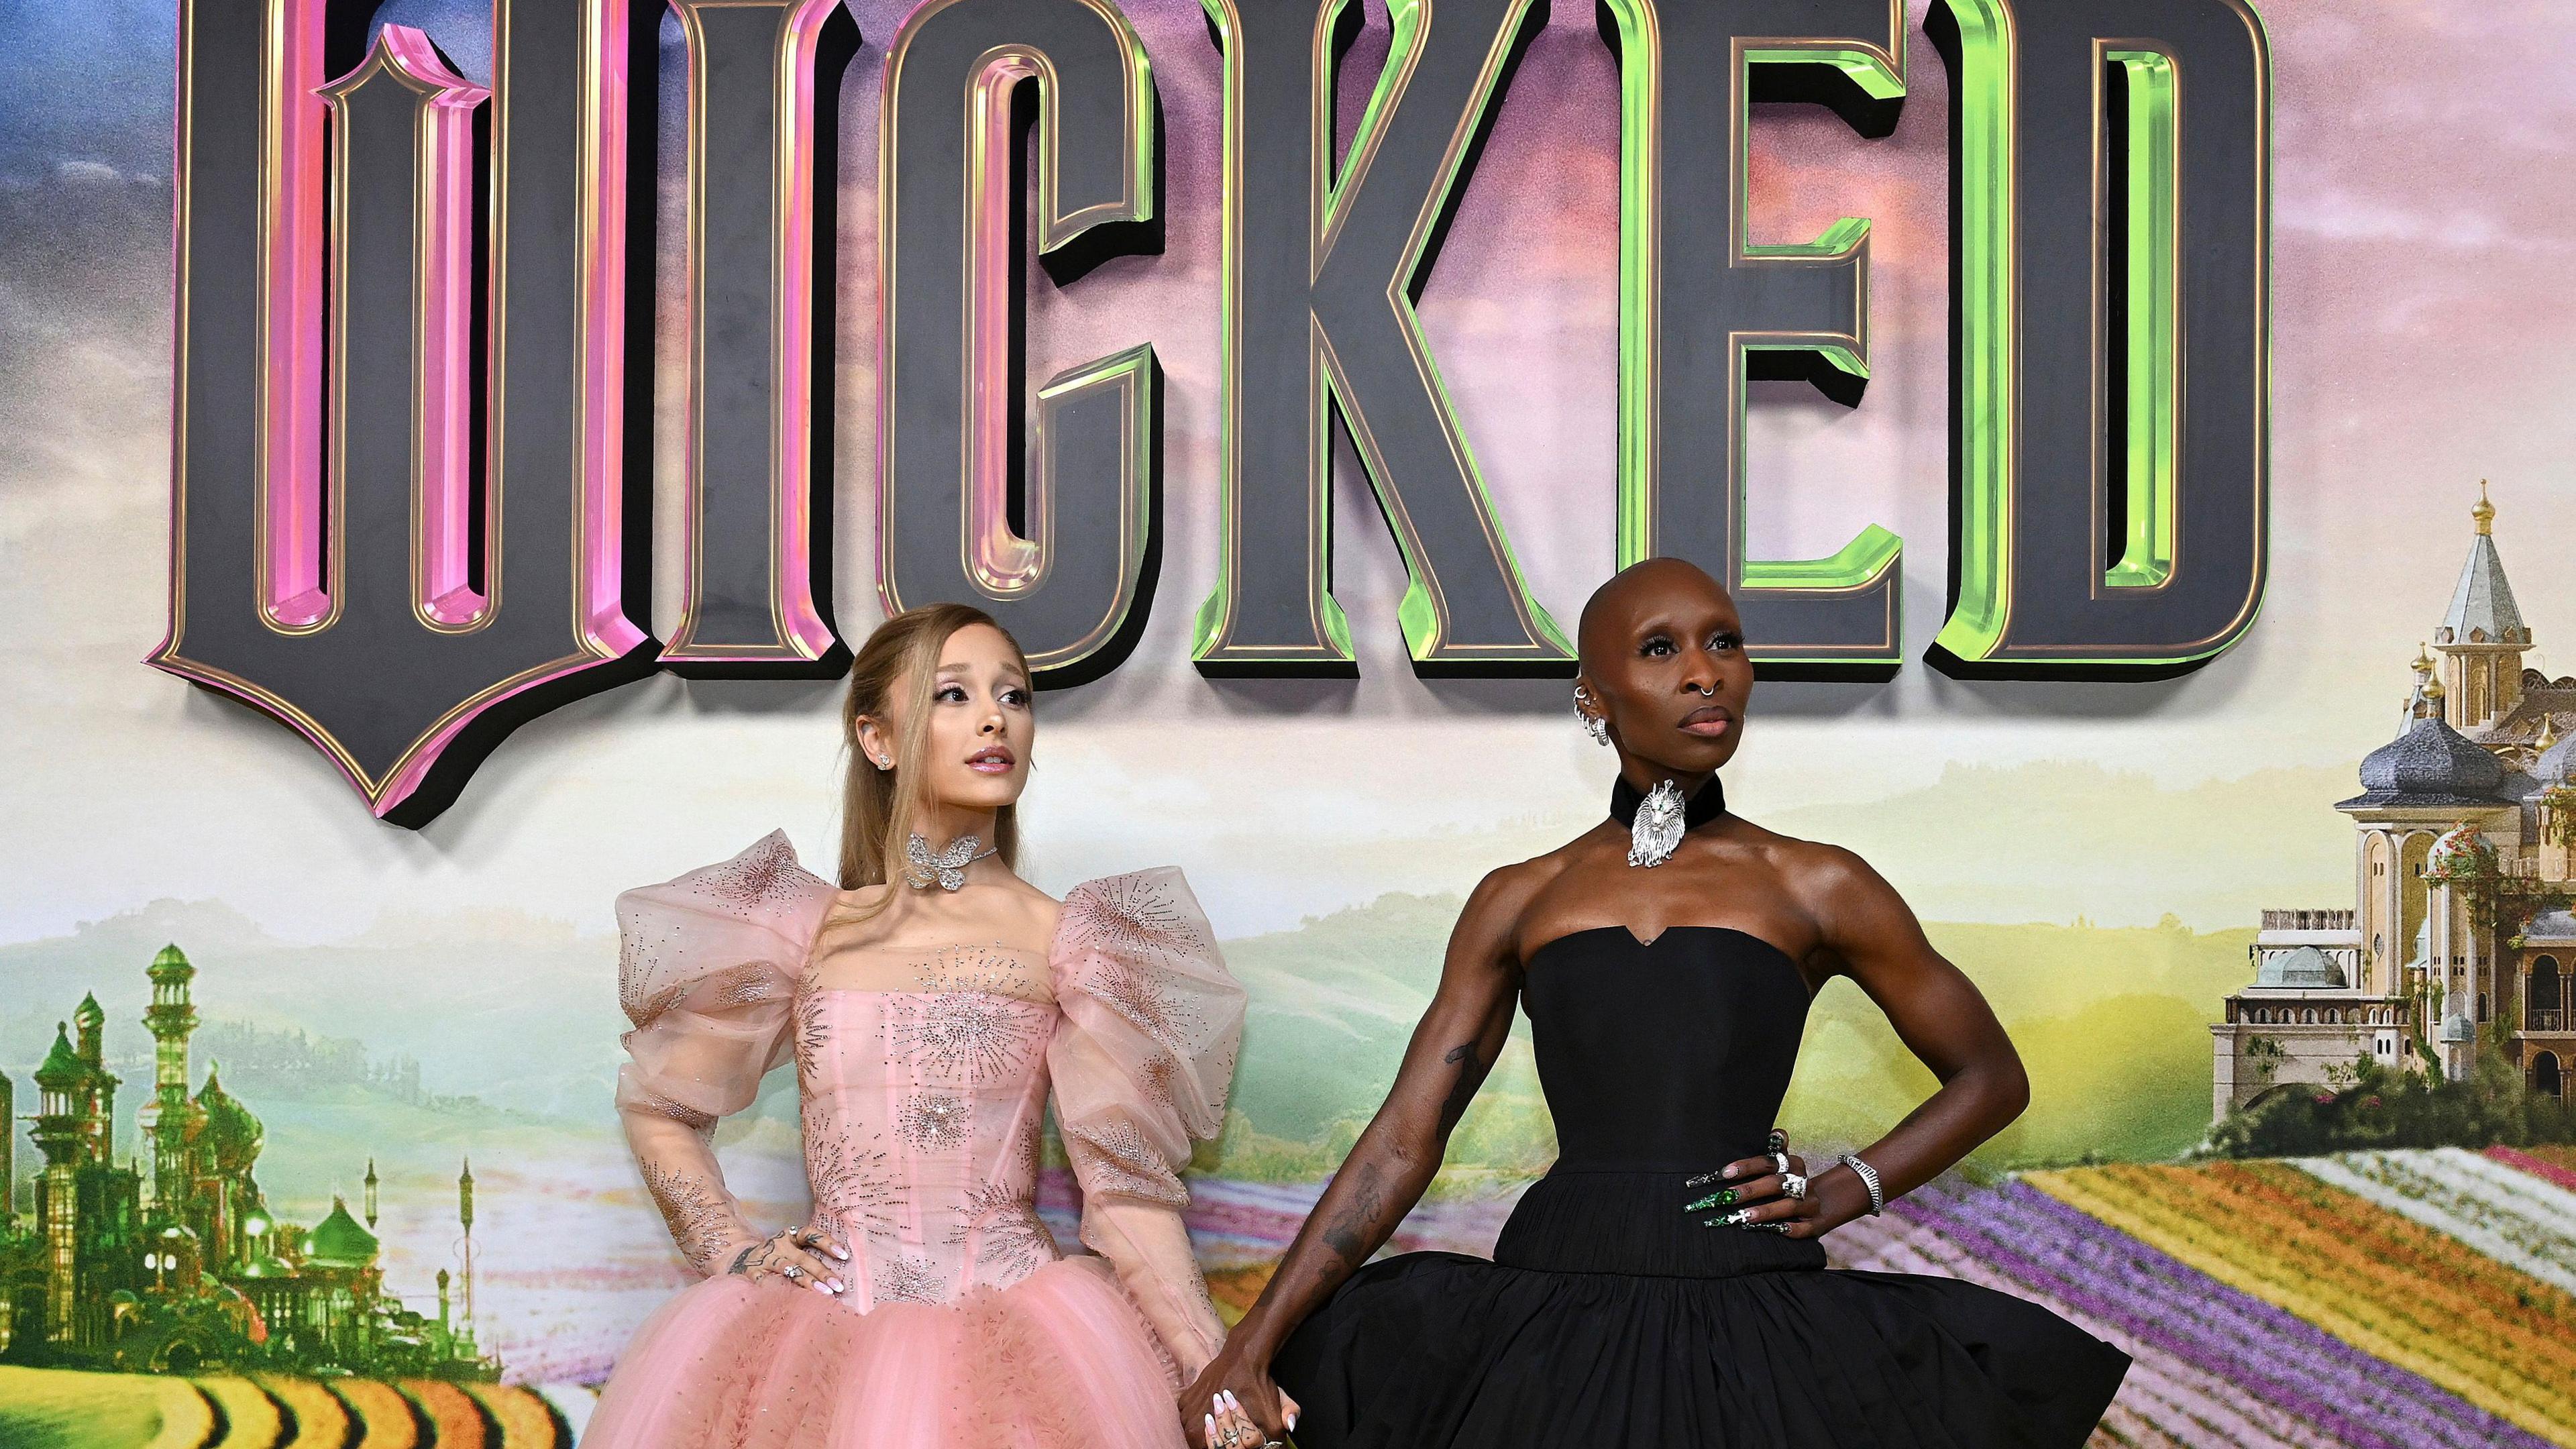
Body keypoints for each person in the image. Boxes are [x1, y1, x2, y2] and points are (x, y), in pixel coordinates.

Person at [1178, 558, 2131, 1448]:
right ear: (1593, 698)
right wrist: (1252, 1342)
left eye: (1725, 642)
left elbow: (1990, 1076)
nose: (1706, 673)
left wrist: (1846, 1188)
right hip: (1547, 1318)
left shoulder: (1819, 884)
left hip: (1753, 1312)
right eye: (1661, 649)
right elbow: (1402, 1139)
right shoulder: (1521, 896)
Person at [584, 603, 1283, 1449]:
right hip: (811, 1353)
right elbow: (660, 1105)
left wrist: (1219, 1369)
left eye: (1015, 697)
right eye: (954, 694)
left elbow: (1127, 1198)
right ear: (877, 740)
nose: (995, 717)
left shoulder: (1078, 941)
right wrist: (730, 1249)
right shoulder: (803, 930)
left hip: (1021, 1354)